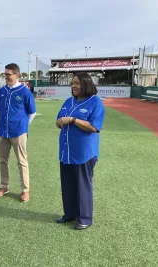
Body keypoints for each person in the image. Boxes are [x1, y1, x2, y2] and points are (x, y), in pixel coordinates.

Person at [55, 72, 105, 230]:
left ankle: (85, 218)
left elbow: (94, 127)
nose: (73, 86)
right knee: (68, 184)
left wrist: (73, 120)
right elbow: (58, 121)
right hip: (66, 151)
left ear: (86, 84)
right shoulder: (69, 101)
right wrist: (60, 121)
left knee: (83, 186)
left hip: (84, 153)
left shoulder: (95, 102)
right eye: (72, 83)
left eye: (76, 83)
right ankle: (69, 214)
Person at [0, 63, 36, 202]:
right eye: (5, 74)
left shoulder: (25, 92)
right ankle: (4, 186)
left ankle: (25, 190)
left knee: (22, 162)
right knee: (3, 161)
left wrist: (23, 127)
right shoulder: (2, 91)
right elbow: (0, 110)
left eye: (9, 74)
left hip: (18, 133)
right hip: (2, 132)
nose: (6, 77)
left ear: (17, 75)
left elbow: (32, 113)